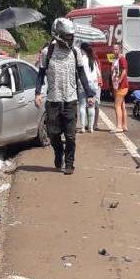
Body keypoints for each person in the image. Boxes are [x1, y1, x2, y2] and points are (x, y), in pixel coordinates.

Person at [35, 18, 95, 175]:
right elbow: (41, 74)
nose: (70, 39)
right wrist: (37, 93)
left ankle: (69, 164)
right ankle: (58, 152)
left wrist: (89, 93)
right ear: (58, 35)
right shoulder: (47, 53)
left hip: (70, 100)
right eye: (67, 36)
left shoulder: (75, 52)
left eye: (71, 36)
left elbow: (81, 73)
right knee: (53, 133)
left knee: (70, 136)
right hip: (53, 100)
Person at [77, 43, 101, 133]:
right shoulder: (93, 60)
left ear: (82, 50)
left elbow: (78, 72)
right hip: (93, 84)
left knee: (82, 106)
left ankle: (83, 127)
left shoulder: (81, 60)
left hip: (83, 84)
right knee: (91, 106)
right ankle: (90, 127)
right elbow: (98, 73)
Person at [110, 44, 129, 133]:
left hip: (121, 86)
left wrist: (119, 80)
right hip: (117, 85)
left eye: (116, 49)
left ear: (120, 50)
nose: (114, 51)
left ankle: (119, 126)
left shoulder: (122, 59)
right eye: (113, 49)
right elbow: (114, 70)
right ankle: (124, 125)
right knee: (122, 105)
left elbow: (124, 71)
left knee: (117, 105)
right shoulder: (115, 59)